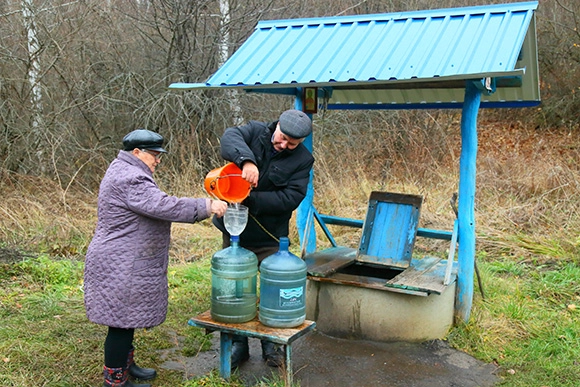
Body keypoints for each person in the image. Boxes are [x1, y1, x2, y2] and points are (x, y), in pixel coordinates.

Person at [84, 129, 227, 387]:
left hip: (122, 257)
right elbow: (163, 205)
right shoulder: (130, 177)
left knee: (124, 320)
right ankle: (115, 381)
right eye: (154, 154)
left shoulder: (125, 169)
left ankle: (126, 366)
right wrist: (206, 206)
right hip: (121, 261)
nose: (158, 160)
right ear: (136, 152)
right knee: (119, 324)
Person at [212, 109, 315, 369]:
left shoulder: (303, 160)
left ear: (300, 143)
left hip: (271, 236)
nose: (283, 145)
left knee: (273, 291)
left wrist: (249, 199)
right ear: (277, 125)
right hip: (236, 233)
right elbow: (229, 138)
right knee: (235, 290)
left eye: (291, 144)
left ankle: (271, 345)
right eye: (282, 138)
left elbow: (291, 198)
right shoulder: (255, 132)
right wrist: (247, 161)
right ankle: (238, 344)